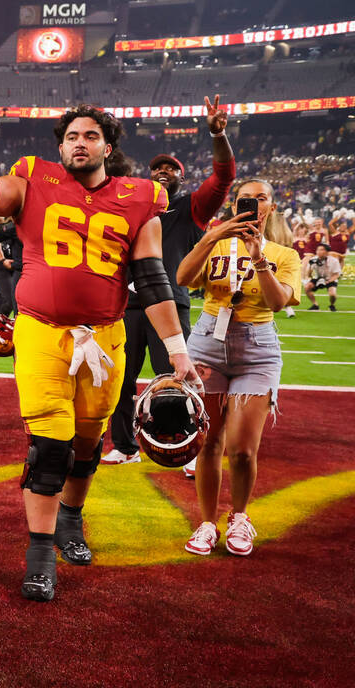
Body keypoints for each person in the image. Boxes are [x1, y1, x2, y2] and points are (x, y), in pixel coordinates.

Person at [0, 75, 199, 601]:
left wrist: (178, 350)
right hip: (42, 333)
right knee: (50, 446)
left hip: (106, 338)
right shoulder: (32, 178)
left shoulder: (140, 198)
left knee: (88, 443)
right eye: (71, 135)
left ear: (107, 146)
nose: (79, 142)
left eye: (90, 135)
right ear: (61, 144)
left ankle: (71, 517)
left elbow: (153, 278)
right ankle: (41, 552)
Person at [101, 96, 234, 465]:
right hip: (126, 305)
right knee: (120, 382)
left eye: (170, 169)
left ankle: (187, 442)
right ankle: (125, 447)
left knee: (177, 378)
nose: (163, 171)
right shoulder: (136, 205)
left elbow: (224, 179)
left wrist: (217, 136)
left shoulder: (191, 207)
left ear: (181, 177)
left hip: (169, 304)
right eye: (157, 168)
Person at [177, 179, 301, 557]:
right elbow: (182, 279)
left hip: (257, 348)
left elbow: (278, 302)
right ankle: (207, 522)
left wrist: (258, 256)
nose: (254, 204)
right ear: (236, 205)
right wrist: (208, 237)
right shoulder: (213, 243)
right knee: (209, 443)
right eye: (247, 198)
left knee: (243, 451)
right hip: (207, 344)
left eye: (262, 198)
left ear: (271, 208)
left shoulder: (285, 254)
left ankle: (241, 515)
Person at [304, 242, 341, 311]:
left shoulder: (334, 261)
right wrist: (310, 266)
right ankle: (315, 304)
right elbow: (308, 275)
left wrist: (328, 281)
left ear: (327, 252)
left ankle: (332, 305)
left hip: (330, 278)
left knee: (332, 294)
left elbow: (337, 274)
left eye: (321, 250)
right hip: (319, 278)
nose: (319, 252)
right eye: (318, 250)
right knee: (307, 287)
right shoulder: (313, 260)